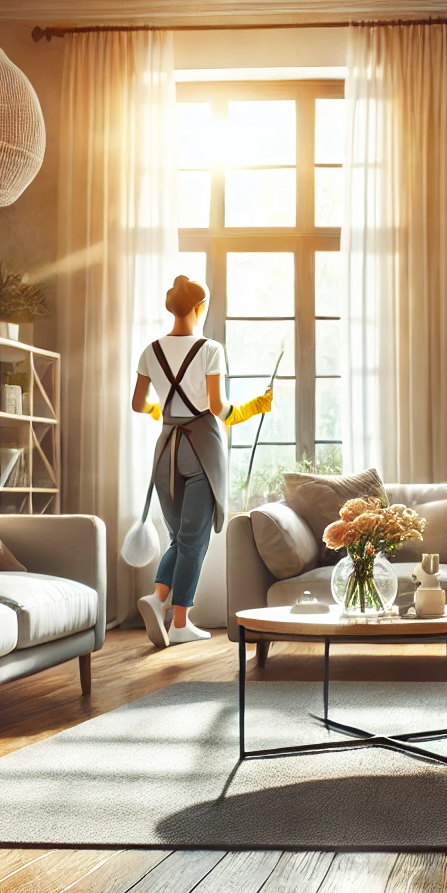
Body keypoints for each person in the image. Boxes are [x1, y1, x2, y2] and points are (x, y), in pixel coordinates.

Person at [130, 275, 271, 646]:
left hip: (165, 448)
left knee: (180, 536)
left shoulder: (150, 350)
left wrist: (157, 410)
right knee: (194, 540)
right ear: (199, 308)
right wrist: (254, 407)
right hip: (201, 448)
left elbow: (136, 403)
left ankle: (158, 596)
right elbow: (216, 408)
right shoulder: (210, 349)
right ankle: (179, 624)